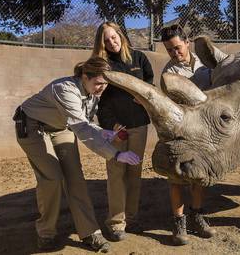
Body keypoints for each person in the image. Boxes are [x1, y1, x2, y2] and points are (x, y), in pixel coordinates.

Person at [13, 57, 141, 252]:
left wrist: (102, 132)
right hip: (33, 127)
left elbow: (86, 123)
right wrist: (115, 155)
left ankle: (90, 233)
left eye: (105, 84)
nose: (102, 88)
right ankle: (46, 232)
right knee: (52, 178)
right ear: (84, 77)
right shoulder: (65, 89)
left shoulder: (92, 92)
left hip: (61, 128)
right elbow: (81, 128)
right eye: (98, 83)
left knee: (76, 179)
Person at [92, 21, 154, 241]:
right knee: (116, 173)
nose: (112, 42)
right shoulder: (103, 65)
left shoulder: (139, 59)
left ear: (121, 35)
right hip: (116, 129)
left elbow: (149, 82)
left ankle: (133, 218)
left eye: (114, 37)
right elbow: (101, 101)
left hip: (139, 125)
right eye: (106, 40)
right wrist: (110, 125)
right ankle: (116, 223)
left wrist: (144, 97)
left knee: (134, 173)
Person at [160, 24, 217, 245]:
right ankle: (179, 223)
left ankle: (198, 216)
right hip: (181, 128)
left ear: (186, 42)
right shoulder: (169, 72)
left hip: (205, 127)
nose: (175, 53)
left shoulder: (206, 62)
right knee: (176, 177)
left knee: (199, 175)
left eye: (177, 47)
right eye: (169, 50)